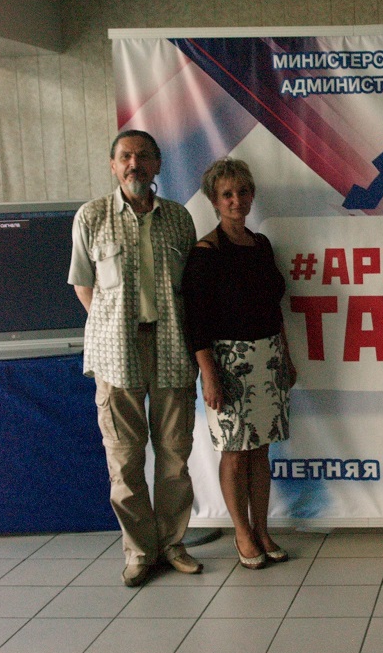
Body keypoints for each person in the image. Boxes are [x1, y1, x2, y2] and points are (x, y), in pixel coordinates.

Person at [68, 129, 202, 587]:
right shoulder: (92, 216)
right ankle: (140, 551)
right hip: (116, 353)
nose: (134, 164)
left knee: (175, 456)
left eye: (143, 156)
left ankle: (173, 544)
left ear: (158, 165)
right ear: (113, 165)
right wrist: (111, 329)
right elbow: (83, 285)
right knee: (124, 461)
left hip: (171, 348)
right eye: (125, 156)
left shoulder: (179, 218)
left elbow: (189, 288)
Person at [181, 158, 296, 570]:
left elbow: (273, 308)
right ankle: (242, 533)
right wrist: (209, 375)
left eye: (243, 192)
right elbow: (195, 322)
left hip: (268, 357)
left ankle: (262, 529)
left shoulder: (261, 244)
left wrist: (286, 357)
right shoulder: (205, 253)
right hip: (228, 363)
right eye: (227, 194)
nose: (236, 200)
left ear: (252, 195)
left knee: (261, 450)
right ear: (214, 201)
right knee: (234, 453)